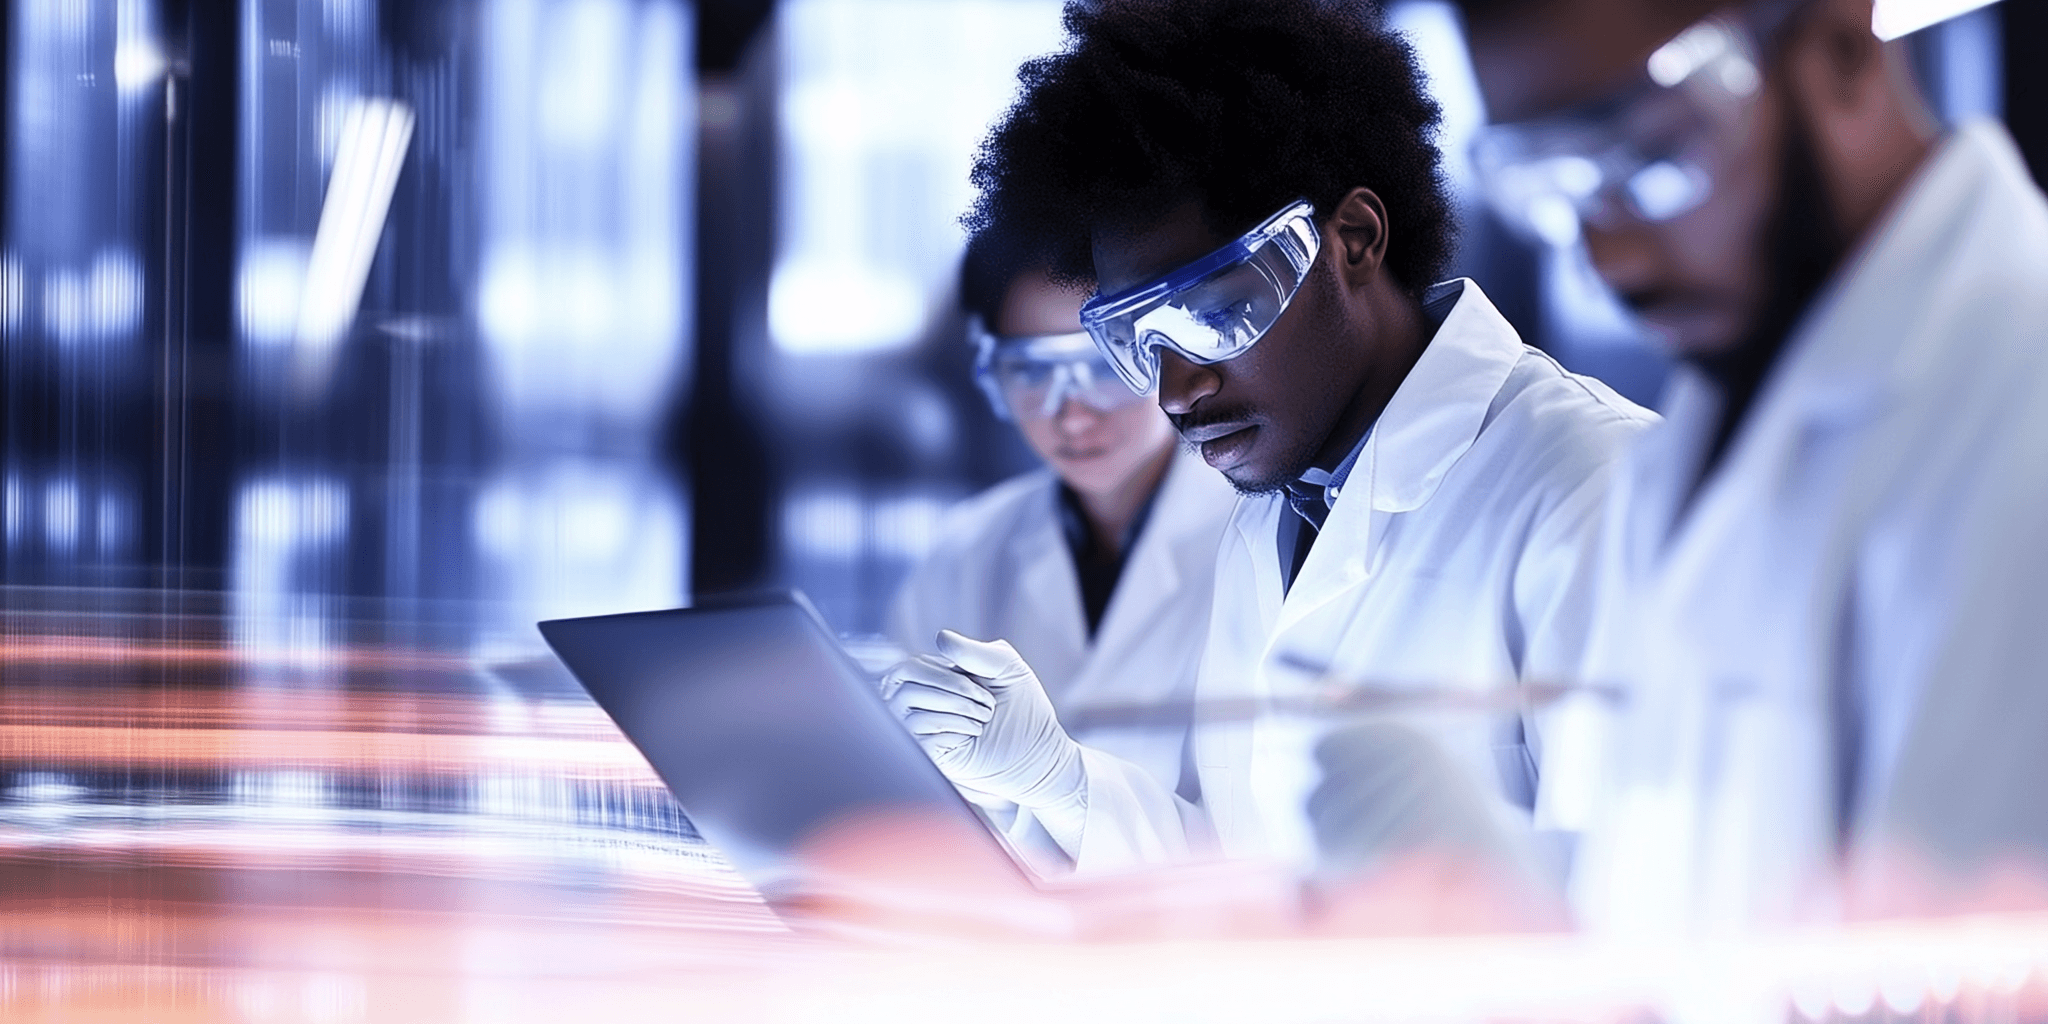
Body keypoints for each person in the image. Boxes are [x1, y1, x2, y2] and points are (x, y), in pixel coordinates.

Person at [882, 0, 1657, 879]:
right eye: (1137, 341)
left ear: (1354, 240)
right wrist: (1061, 783)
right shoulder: (1278, 511)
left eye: (1213, 312)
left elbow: (1648, 933)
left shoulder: (1597, 489)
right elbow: (1256, 885)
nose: (1177, 390)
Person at [1454, 0, 2048, 933]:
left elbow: (1961, 964)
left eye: (1649, 159)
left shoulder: (2017, 400)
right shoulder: (1701, 426)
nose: (1608, 257)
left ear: (1843, 60)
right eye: (1552, 184)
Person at [886, 235, 1239, 872]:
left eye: (1103, 362)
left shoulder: (1261, 532)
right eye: (1032, 370)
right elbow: (906, 800)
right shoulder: (967, 549)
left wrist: (1062, 786)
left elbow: (1269, 848)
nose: (1071, 414)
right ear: (991, 376)